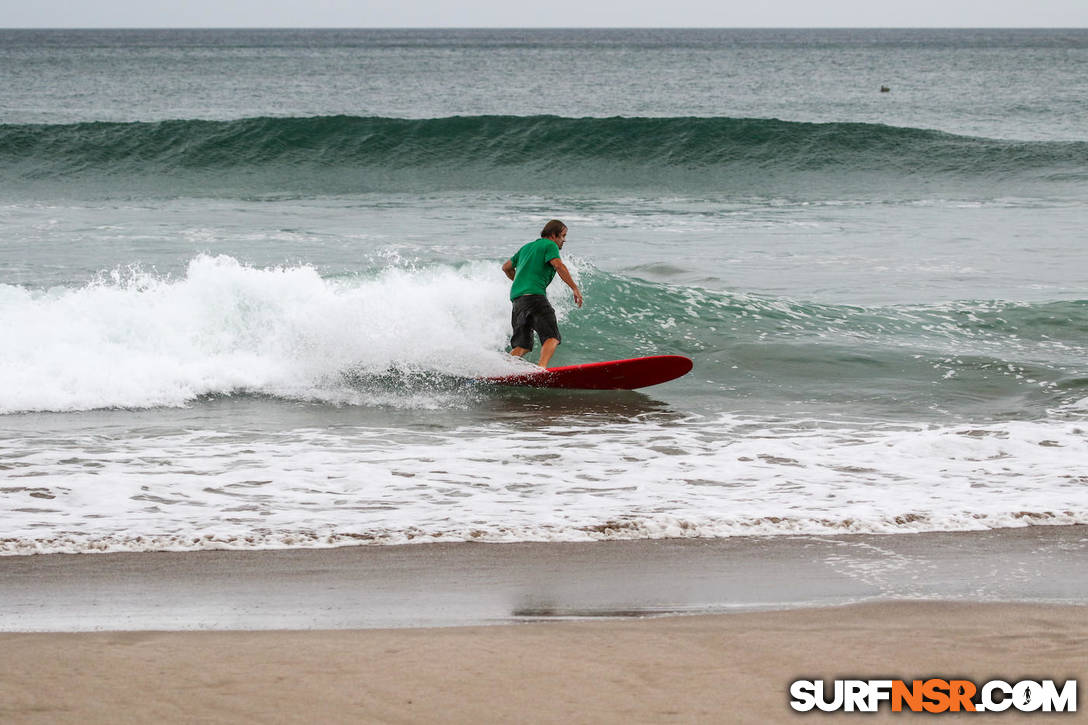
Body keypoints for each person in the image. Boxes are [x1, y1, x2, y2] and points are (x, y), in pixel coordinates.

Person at [501, 219, 583, 368]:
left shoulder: (526, 247)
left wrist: (521, 282)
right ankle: (541, 369)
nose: (564, 240)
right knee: (552, 337)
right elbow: (558, 265)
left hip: (518, 301)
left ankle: (502, 369)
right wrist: (574, 288)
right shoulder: (550, 245)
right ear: (553, 235)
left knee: (522, 345)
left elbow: (506, 267)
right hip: (535, 298)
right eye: (563, 236)